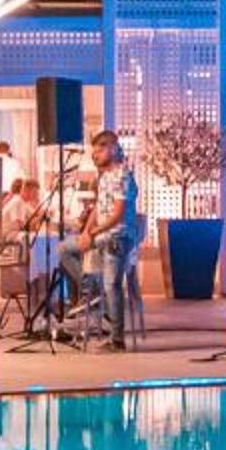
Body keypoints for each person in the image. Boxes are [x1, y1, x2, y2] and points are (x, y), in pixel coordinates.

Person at [85, 128, 144, 346]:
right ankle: (91, 294)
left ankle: (117, 338)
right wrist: (86, 232)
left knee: (112, 285)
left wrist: (94, 232)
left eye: (99, 151)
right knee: (65, 249)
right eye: (93, 152)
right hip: (102, 237)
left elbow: (118, 215)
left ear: (111, 149)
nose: (95, 156)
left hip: (117, 237)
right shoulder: (104, 177)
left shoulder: (122, 175)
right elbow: (98, 208)